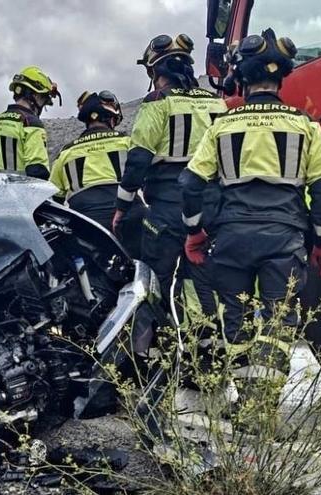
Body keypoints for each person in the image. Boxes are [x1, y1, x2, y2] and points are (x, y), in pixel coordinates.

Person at [179, 29, 321, 366]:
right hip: (284, 239)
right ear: (281, 78)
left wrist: (195, 234)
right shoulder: (306, 126)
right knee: (279, 325)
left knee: (235, 323)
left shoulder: (222, 125)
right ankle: (260, 404)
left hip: (231, 239)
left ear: (242, 78)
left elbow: (190, 184)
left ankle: (243, 406)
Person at [113, 34, 228, 320]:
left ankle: (156, 344)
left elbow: (138, 159)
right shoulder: (217, 103)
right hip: (212, 204)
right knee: (203, 275)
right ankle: (205, 340)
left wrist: (122, 206)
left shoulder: (158, 102)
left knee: (156, 277)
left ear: (154, 72)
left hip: (168, 206)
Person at [50, 90, 129, 231]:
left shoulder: (66, 153)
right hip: (127, 219)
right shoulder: (127, 143)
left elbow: (54, 198)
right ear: (111, 119)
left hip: (85, 226)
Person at [0, 66, 61, 179]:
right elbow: (37, 170)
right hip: (21, 194)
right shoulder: (30, 124)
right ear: (36, 96)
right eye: (43, 100)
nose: (42, 105)